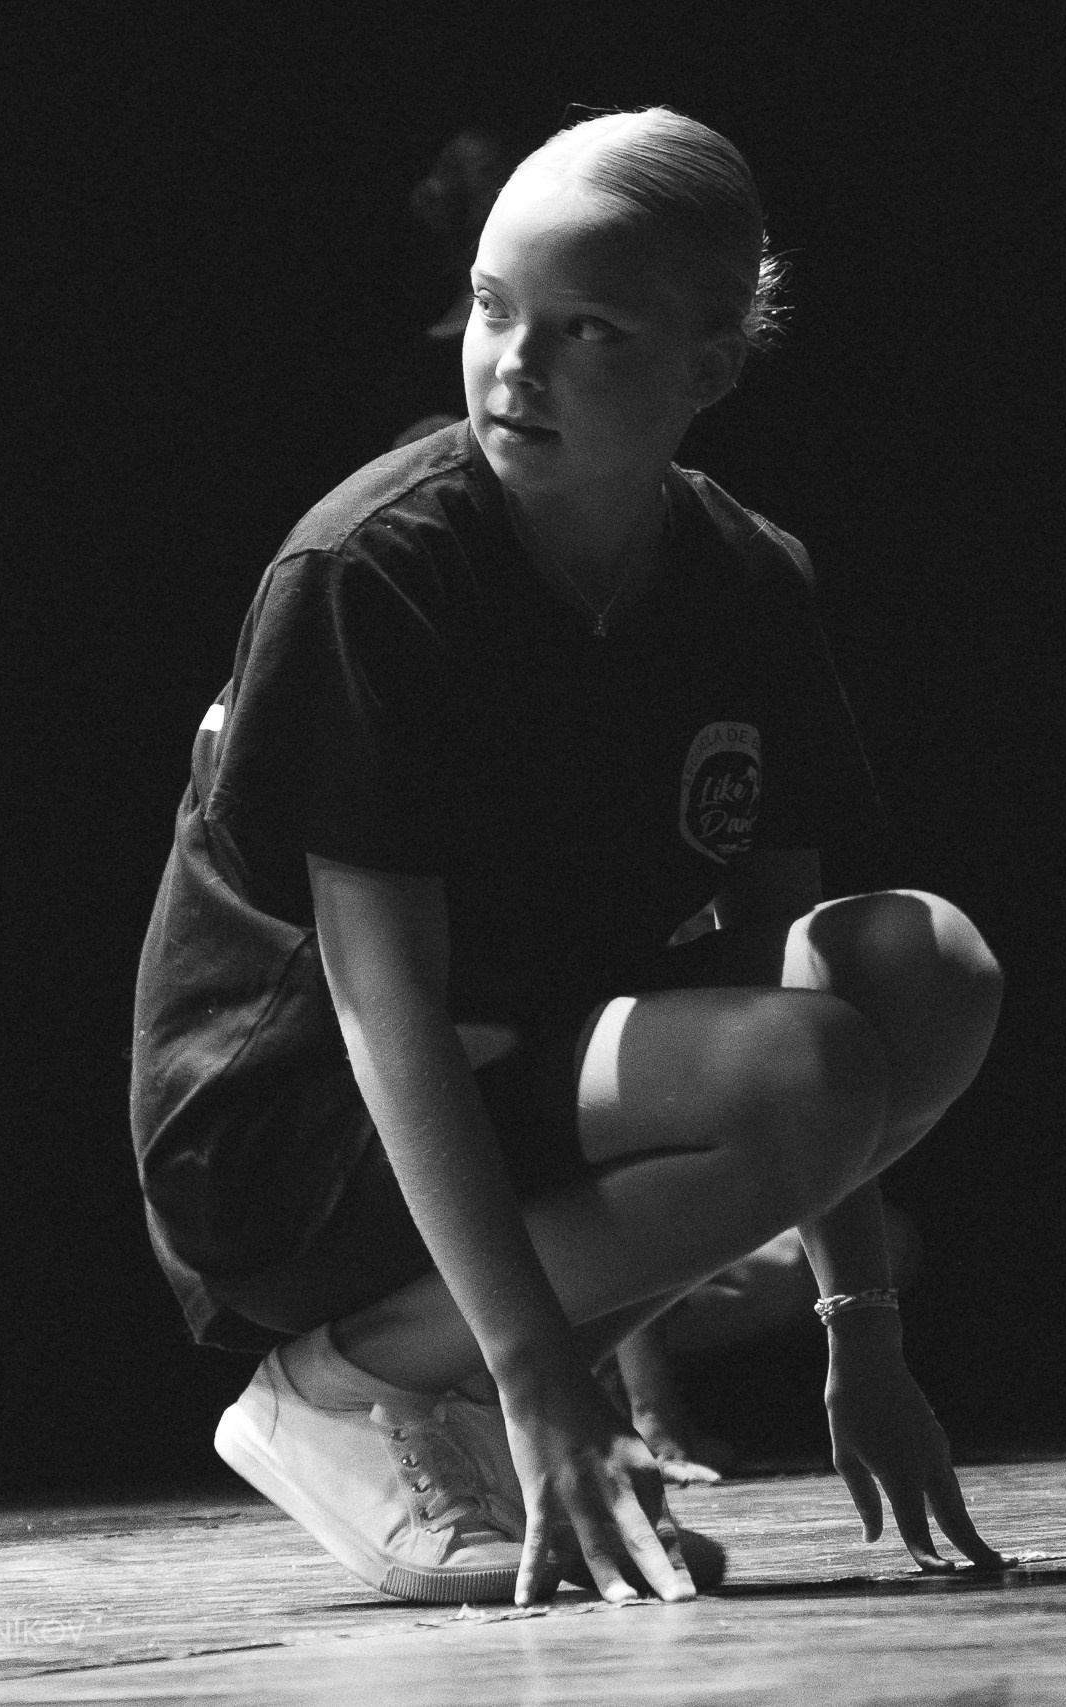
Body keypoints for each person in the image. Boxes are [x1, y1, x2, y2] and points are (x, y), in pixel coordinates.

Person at [130, 107, 1005, 1606]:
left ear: (707, 366)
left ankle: (455, 1383)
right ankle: (358, 1387)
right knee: (803, 1065)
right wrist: (551, 1379)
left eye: (584, 328)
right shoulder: (372, 570)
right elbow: (378, 998)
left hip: (530, 1067)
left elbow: (775, 963)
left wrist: (865, 1332)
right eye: (489, 307)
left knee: (918, 970)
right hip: (296, 1127)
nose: (511, 363)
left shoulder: (744, 578)